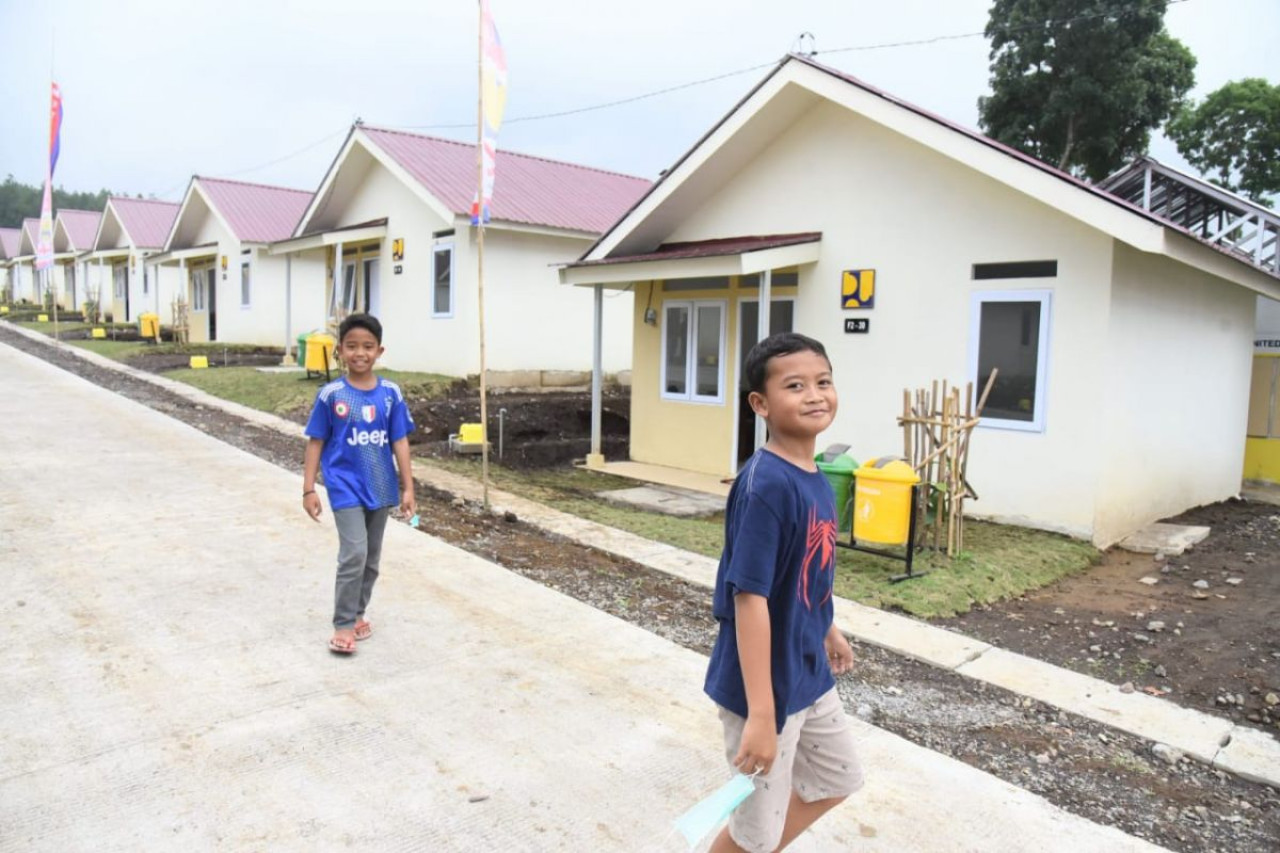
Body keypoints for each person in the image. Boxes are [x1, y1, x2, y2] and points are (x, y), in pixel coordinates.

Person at [704, 332, 864, 852]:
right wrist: (761, 715)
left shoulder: (814, 475)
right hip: (763, 687)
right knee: (752, 832)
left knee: (838, 777)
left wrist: (828, 628)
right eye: (795, 386)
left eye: (823, 382)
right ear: (761, 404)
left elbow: (803, 574)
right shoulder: (766, 485)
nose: (815, 395)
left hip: (807, 672)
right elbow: (748, 598)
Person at [302, 313, 416, 655]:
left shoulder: (391, 394)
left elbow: (400, 441)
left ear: (379, 351)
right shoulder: (331, 395)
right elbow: (316, 441)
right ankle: (343, 623)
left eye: (367, 346)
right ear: (340, 350)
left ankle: (358, 613)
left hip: (380, 487)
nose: (360, 353)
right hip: (344, 486)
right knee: (354, 553)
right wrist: (309, 488)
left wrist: (408, 487)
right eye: (352, 346)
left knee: (371, 558)